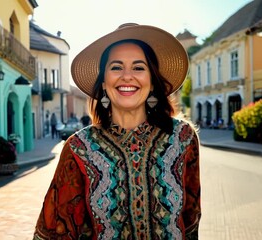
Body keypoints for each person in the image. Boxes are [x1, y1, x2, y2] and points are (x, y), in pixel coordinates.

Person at [33, 23, 201, 240]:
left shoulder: (183, 138)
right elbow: (53, 230)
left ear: (152, 82)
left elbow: (191, 222)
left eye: (139, 67)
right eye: (116, 67)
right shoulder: (78, 148)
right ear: (104, 82)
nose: (127, 76)